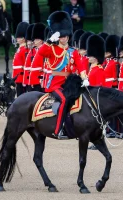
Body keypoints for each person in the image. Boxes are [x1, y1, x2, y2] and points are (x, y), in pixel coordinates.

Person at [38, 11, 88, 139]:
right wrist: (49, 41)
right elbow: (41, 52)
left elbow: (80, 65)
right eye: (61, 36)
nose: (64, 38)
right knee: (64, 99)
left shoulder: (73, 52)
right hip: (55, 83)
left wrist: (84, 78)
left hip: (69, 84)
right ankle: (58, 129)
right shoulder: (52, 48)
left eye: (66, 36)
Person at [13, 22, 29, 96]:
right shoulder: (20, 48)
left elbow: (26, 65)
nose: (17, 39)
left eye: (19, 37)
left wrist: (24, 80)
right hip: (17, 77)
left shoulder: (25, 49)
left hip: (21, 78)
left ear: (23, 38)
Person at [29, 23, 46, 92]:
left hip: (39, 81)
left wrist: (42, 79)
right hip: (35, 81)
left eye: (36, 39)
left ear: (41, 40)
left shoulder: (43, 51)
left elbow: (44, 67)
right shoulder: (37, 50)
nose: (34, 41)